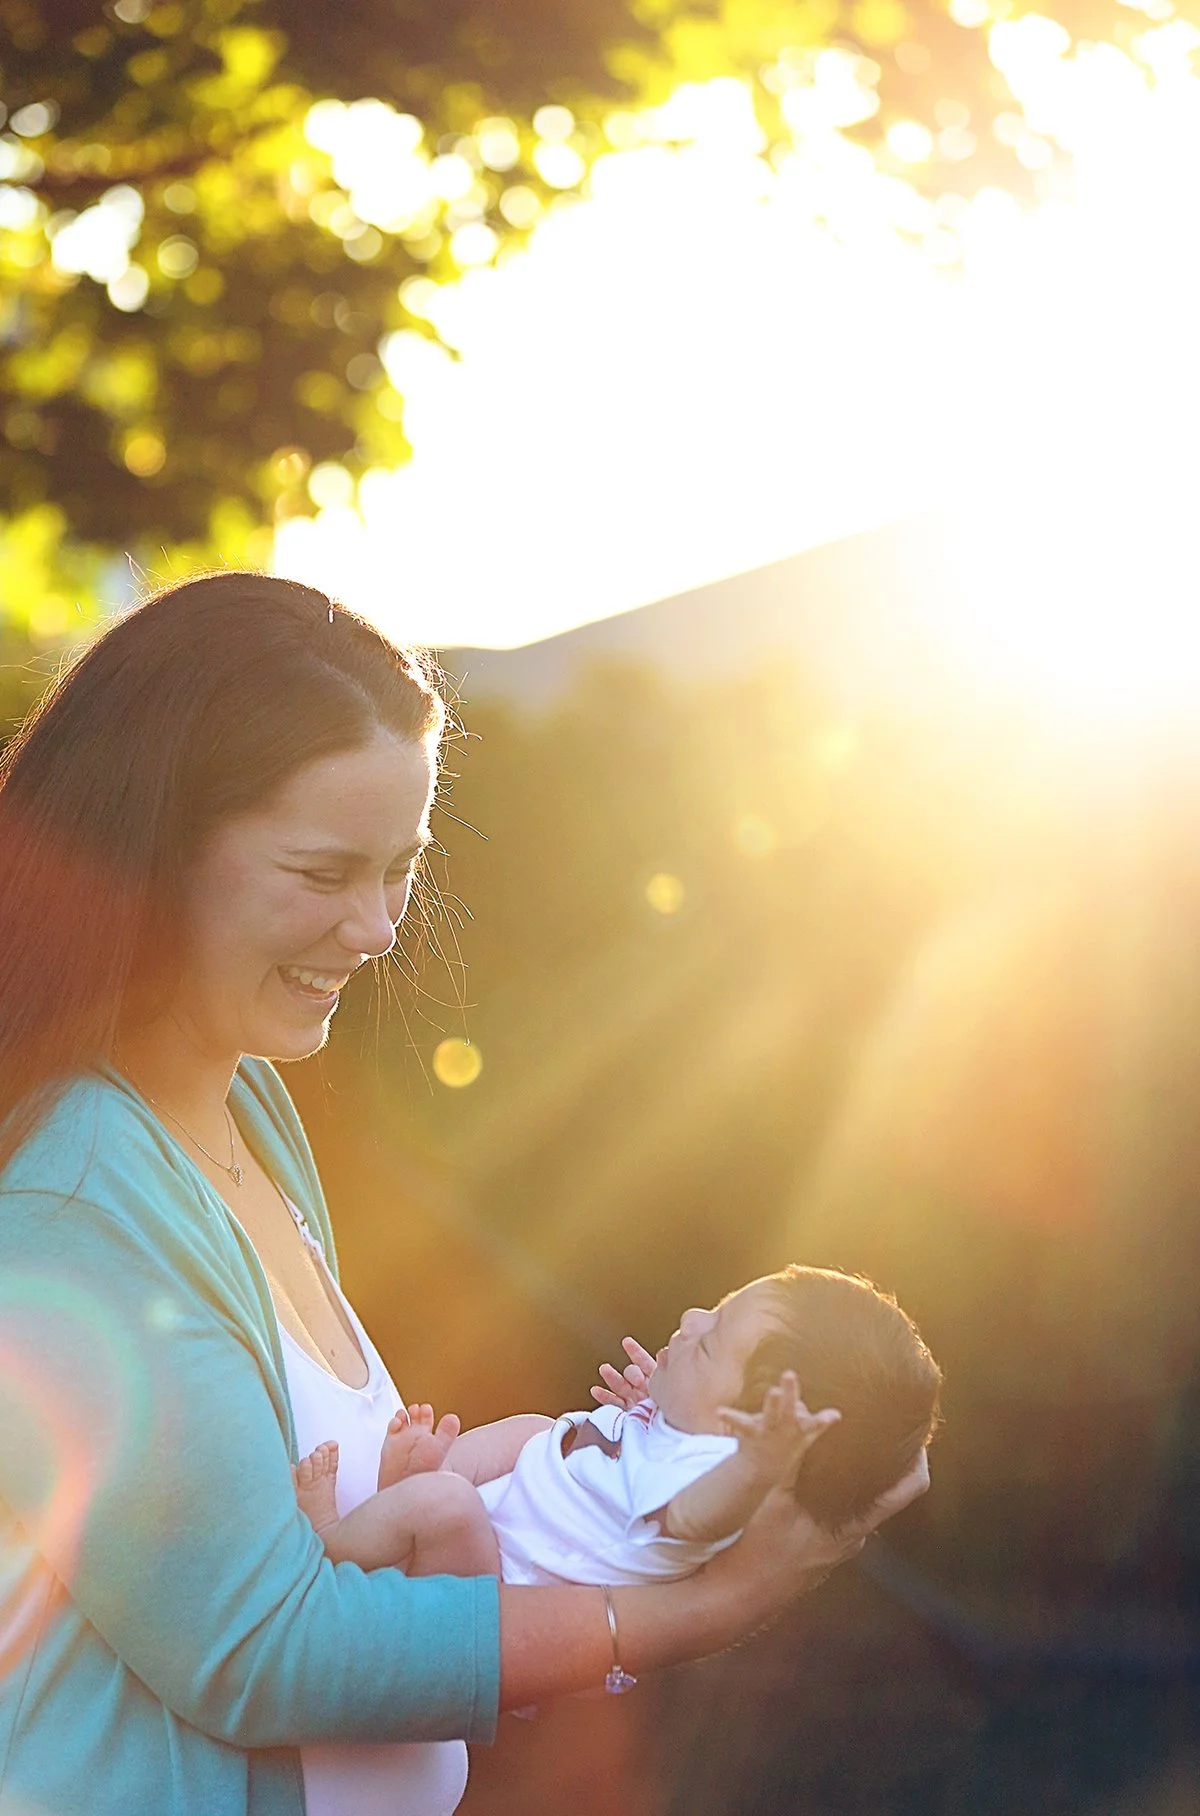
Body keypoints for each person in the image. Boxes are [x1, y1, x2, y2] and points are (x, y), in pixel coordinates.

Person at [0, 572, 930, 1816]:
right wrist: (708, 1602)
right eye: (326, 869)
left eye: (401, 867)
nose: (379, 926)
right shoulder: (72, 1198)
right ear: (150, 850)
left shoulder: (247, 1109)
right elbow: (269, 1657)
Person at [292, 1266, 942, 1588]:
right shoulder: (684, 1435)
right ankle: (399, 1508)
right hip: (491, 1537)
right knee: (532, 1431)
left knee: (447, 1503)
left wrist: (754, 1469)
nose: (689, 1321)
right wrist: (652, 1405)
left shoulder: (714, 1483)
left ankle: (334, 1546)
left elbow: (700, 1517)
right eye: (713, 1310)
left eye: (710, 1341)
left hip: (489, 1601)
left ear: (744, 1435)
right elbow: (615, 1458)